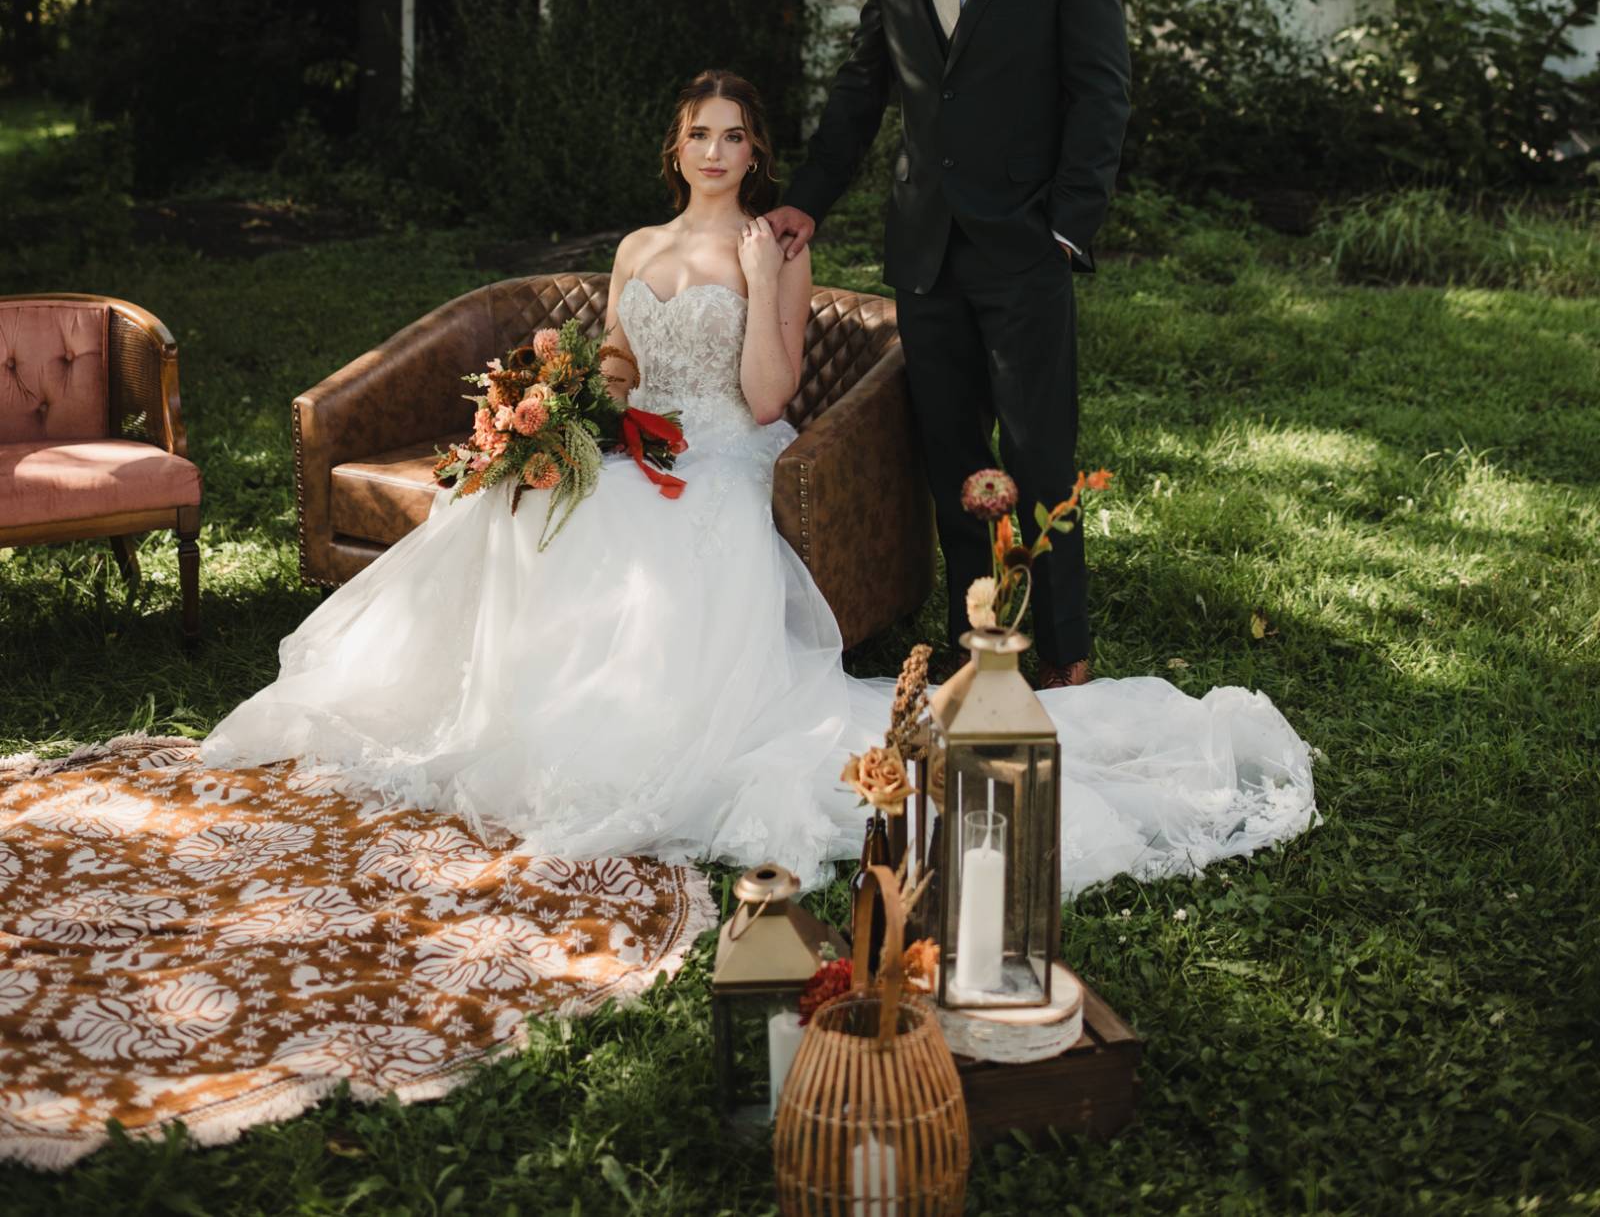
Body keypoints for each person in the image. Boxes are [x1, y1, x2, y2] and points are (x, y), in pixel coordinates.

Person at [203, 70, 1316, 896]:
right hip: (643, 440)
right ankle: (505, 713)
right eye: (700, 133)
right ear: (675, 145)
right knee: (523, 502)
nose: (716, 150)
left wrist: (749, 276)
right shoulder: (636, 247)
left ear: (756, 153)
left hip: (730, 452)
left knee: (653, 534)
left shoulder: (777, 246)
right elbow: (622, 365)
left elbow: (771, 395)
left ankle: (618, 738)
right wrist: (571, 411)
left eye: (735, 136)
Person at [769, 0, 1128, 686]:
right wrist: (807, 196)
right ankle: (981, 637)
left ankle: (1063, 650)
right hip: (925, 250)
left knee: (1039, 455)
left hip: (1026, 245)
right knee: (952, 455)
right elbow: (862, 90)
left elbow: (1100, 95)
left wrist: (1068, 227)